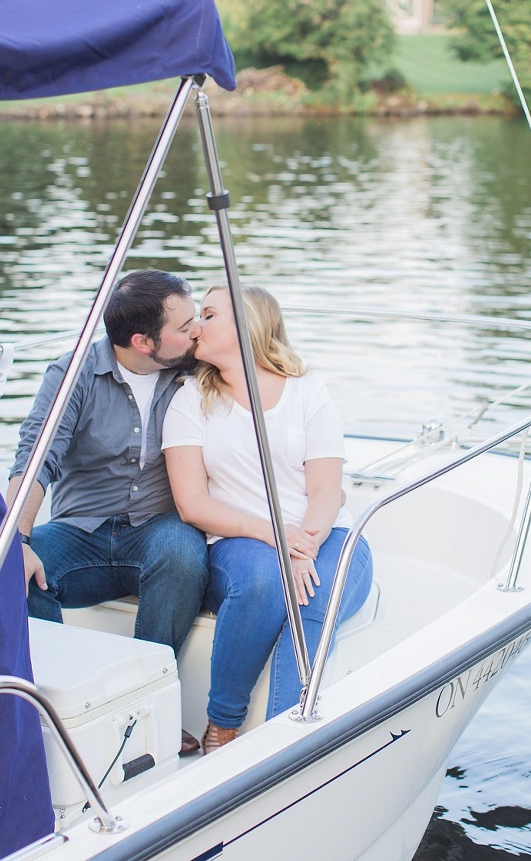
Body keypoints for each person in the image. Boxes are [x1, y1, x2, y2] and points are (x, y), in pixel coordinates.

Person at [162, 284, 373, 754]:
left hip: (326, 533)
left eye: (208, 315)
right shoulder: (191, 398)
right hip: (240, 539)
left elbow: (327, 490)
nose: (195, 326)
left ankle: (282, 747)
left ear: (246, 325)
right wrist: (282, 540)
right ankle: (223, 725)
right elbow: (192, 504)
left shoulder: (307, 391)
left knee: (312, 601)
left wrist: (305, 546)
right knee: (263, 580)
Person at [7, 269, 210, 756]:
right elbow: (36, 459)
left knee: (182, 556)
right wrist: (18, 542)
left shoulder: (194, 365)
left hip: (159, 529)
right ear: (142, 342)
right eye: (184, 326)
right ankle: (66, 713)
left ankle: (147, 705)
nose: (197, 330)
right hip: (81, 532)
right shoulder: (73, 374)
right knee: (14, 573)